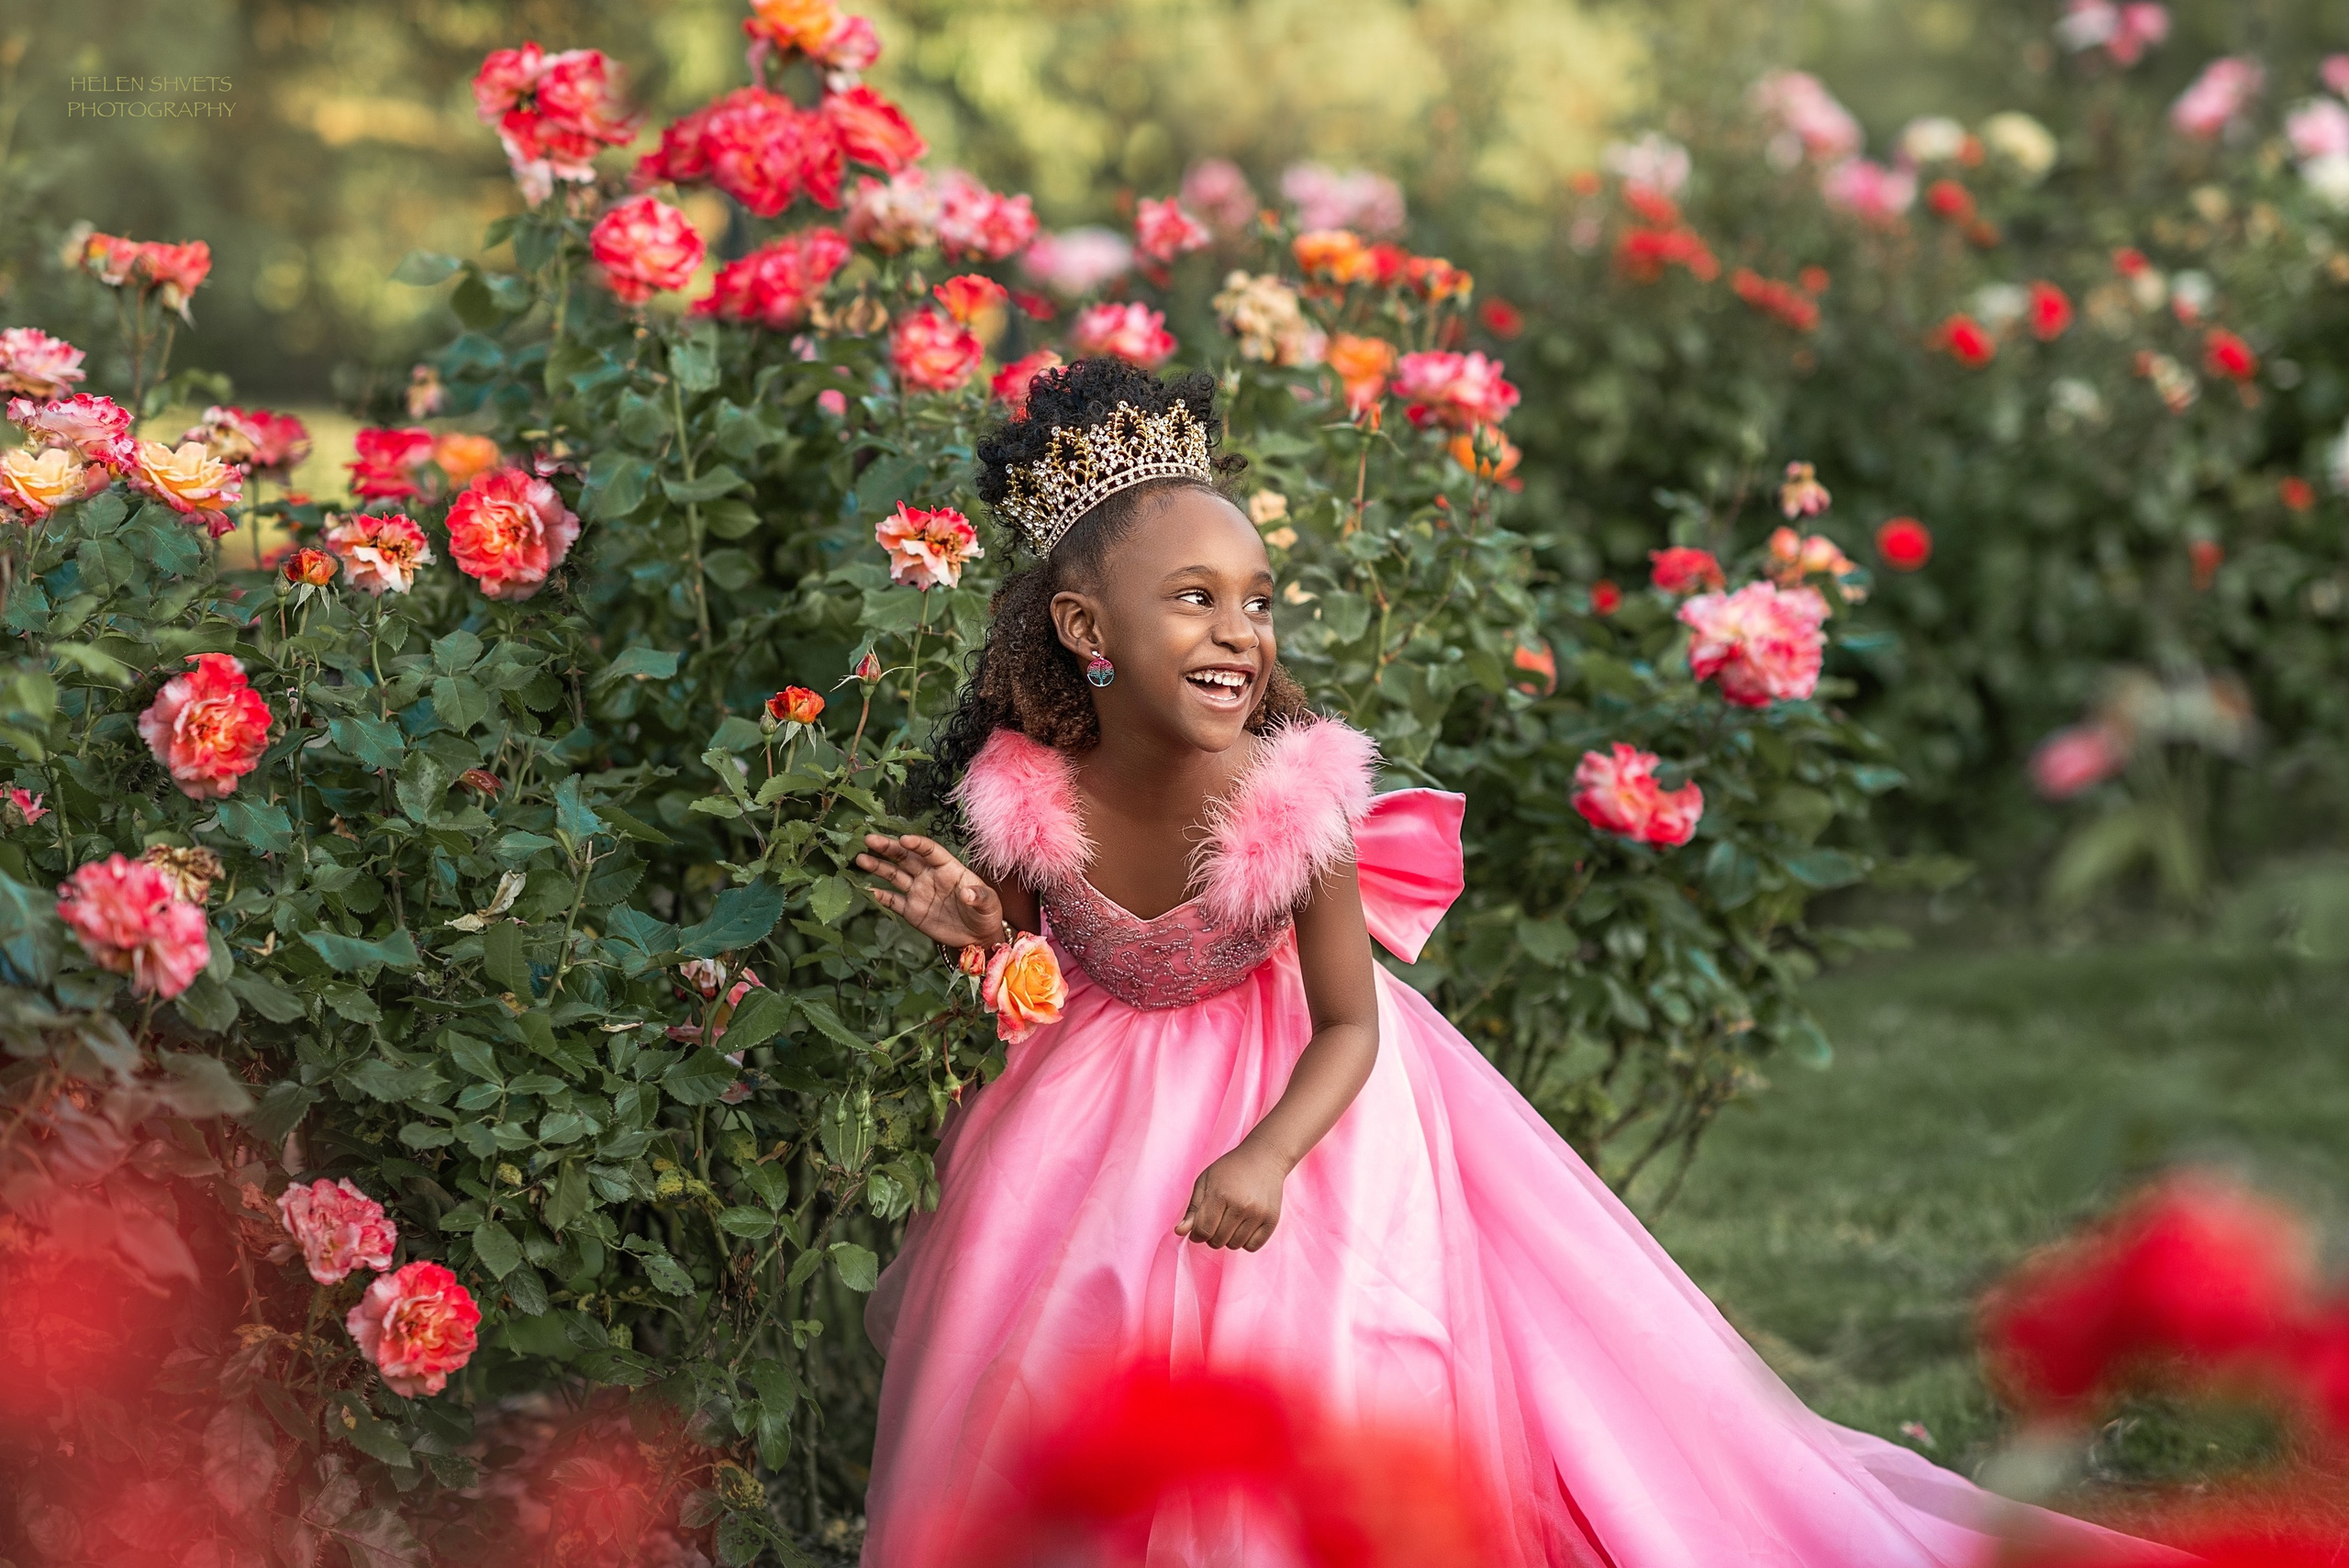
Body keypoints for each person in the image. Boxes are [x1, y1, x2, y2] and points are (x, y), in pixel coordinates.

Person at [852, 357, 2161, 1566]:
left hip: (1308, 1103)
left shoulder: (1292, 799)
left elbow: (1351, 1028)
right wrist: (984, 931)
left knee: (1327, 1366)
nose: (1242, 633)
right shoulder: (1027, 793)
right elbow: (1034, 959)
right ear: (1086, 624)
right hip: (1094, 1110)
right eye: (1194, 599)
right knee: (1057, 1342)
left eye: (1258, 600)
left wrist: (1265, 1153)